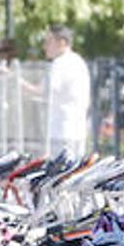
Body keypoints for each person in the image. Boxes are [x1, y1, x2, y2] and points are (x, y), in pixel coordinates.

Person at [37, 24, 90, 156]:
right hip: (77, 131)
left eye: (48, 42)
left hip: (61, 132)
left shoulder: (60, 63)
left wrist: (14, 80)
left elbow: (43, 91)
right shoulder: (78, 61)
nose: (45, 47)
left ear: (62, 43)